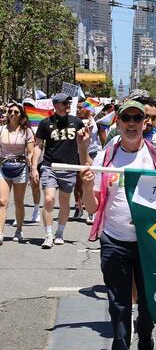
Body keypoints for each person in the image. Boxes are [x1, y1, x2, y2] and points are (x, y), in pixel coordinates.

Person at [78, 101, 156, 350]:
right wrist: (87, 185)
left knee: (147, 304)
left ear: (146, 122)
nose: (132, 123)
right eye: (126, 118)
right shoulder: (105, 158)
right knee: (118, 302)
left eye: (138, 118)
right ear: (118, 123)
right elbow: (92, 207)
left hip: (150, 243)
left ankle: (145, 332)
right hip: (114, 239)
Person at [31, 93, 85, 248]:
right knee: (48, 199)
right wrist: (34, 167)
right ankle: (48, 236)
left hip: (69, 167)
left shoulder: (76, 122)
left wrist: (84, 138)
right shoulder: (45, 123)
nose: (68, 104)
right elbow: (38, 145)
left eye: (68, 101)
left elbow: (83, 144)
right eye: (64, 102)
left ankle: (59, 233)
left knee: (64, 202)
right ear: (56, 105)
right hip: (50, 166)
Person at [0, 103, 35, 244]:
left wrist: (31, 163)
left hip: (20, 168)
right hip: (3, 167)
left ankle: (19, 230)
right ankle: (0, 233)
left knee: (19, 202)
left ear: (21, 115)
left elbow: (31, 151)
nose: (12, 114)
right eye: (10, 111)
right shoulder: (1, 129)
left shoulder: (26, 132)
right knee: (2, 201)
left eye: (16, 112)